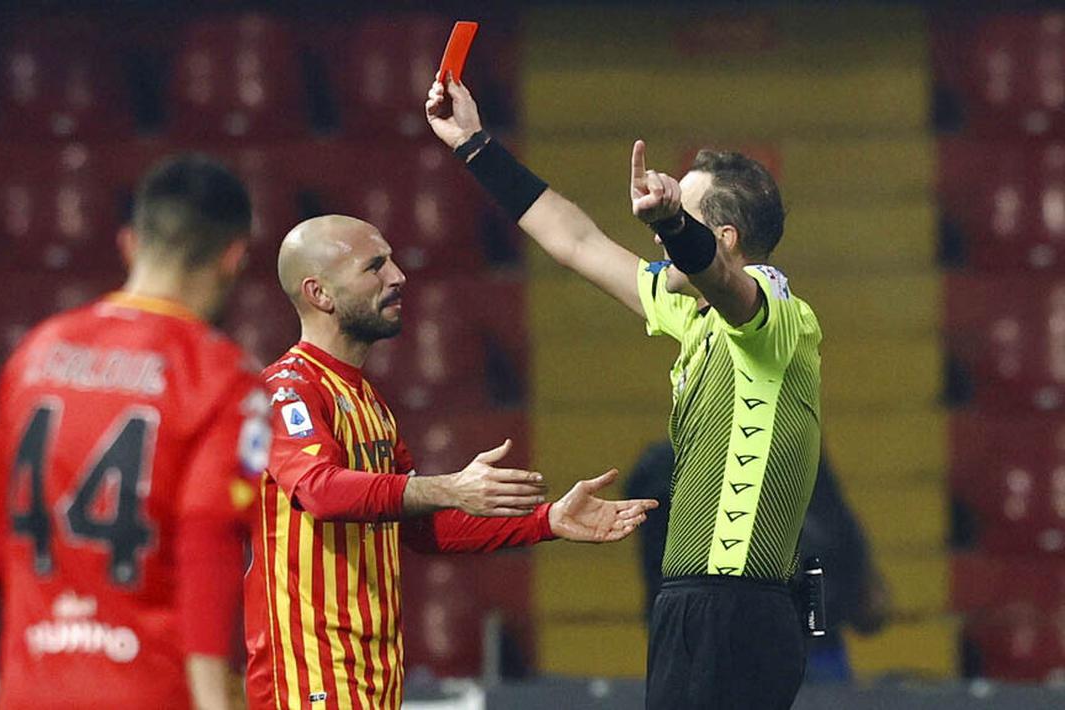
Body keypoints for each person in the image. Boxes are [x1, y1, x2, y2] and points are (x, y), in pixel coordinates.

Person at [427, 76, 822, 709]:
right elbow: (576, 242)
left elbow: (728, 286)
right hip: (690, 605)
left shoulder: (778, 316)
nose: (657, 237)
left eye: (676, 218)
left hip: (740, 607)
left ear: (721, 240)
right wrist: (475, 145)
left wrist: (672, 224)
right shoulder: (687, 311)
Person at [243, 214, 660, 710]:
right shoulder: (286, 391)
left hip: (373, 676)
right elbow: (320, 491)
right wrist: (447, 487)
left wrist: (546, 520)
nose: (398, 276)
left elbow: (421, 529)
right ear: (320, 294)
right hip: (307, 676)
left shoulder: (369, 402)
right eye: (374, 267)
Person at [0, 155, 268, 710]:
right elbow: (208, 548)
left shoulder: (35, 353)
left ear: (129, 242)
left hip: (31, 689)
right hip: (150, 692)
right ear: (234, 256)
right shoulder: (225, 377)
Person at [625, 441, 891, 682]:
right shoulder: (664, 469)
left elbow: (867, 599)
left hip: (804, 647)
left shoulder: (796, 447)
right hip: (722, 654)